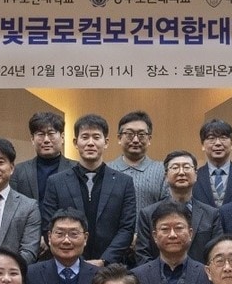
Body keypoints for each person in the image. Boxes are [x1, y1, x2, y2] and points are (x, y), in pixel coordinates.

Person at [41, 114, 138, 266]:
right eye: (85, 137)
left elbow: (127, 228)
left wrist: (104, 260)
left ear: (105, 142)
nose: (90, 143)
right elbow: (48, 225)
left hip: (110, 267)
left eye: (96, 137)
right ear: (75, 142)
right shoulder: (56, 182)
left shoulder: (124, 182)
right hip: (67, 264)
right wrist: (75, 261)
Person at [134, 149, 222, 266]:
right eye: (175, 168)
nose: (181, 172)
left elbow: (217, 253)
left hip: (202, 280)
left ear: (196, 175)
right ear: (165, 176)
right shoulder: (147, 214)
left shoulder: (211, 214)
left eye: (186, 167)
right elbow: (142, 255)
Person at [109, 110, 168, 214]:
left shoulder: (162, 170)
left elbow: (167, 209)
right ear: (119, 138)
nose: (136, 140)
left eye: (141, 134)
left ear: (149, 139)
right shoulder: (106, 170)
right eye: (129, 134)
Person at [12, 111, 73, 203]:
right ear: (32, 139)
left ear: (62, 137)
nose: (46, 140)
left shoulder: (76, 169)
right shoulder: (18, 171)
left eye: (51, 133)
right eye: (40, 134)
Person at [193, 118, 232, 208]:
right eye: (211, 138)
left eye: (223, 138)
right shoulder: (194, 176)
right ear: (202, 145)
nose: (218, 143)